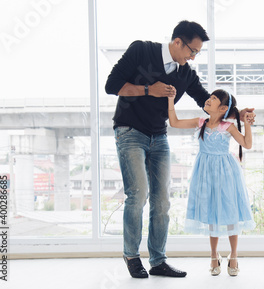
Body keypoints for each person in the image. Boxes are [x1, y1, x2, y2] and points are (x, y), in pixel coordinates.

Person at [105, 20, 254, 279]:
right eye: (192, 51)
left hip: (158, 135)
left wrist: (234, 113)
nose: (193, 57)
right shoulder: (141, 51)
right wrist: (149, 89)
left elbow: (207, 102)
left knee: (162, 200)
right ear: (177, 42)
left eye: (197, 53)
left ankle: (158, 260)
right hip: (129, 131)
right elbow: (112, 86)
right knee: (138, 194)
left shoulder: (186, 74)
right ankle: (131, 256)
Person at [168, 89, 256, 276]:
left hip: (226, 172)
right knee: (211, 211)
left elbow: (247, 144)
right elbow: (174, 122)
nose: (208, 100)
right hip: (205, 172)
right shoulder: (201, 123)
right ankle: (213, 255)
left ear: (223, 108)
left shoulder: (228, 126)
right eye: (210, 97)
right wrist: (170, 100)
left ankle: (234, 255)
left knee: (230, 211)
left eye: (213, 99)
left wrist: (247, 124)